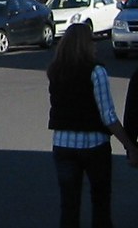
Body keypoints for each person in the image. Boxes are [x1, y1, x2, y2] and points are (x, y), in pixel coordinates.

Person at [48, 23, 138, 228]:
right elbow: (108, 116)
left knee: (69, 204)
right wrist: (130, 145)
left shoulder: (55, 70)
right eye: (91, 41)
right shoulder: (96, 71)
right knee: (100, 200)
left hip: (62, 143)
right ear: (85, 44)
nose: (95, 46)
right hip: (94, 145)